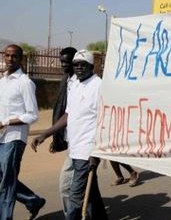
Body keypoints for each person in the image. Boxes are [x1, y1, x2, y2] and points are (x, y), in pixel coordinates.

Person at [31, 49, 108, 220]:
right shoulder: (74, 84)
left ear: (91, 66)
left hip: (86, 151)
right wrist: (45, 134)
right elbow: (68, 115)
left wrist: (97, 152)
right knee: (82, 191)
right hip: (73, 148)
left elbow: (104, 121)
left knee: (74, 199)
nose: (79, 68)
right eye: (76, 65)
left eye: (83, 65)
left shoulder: (98, 86)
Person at [0, 44, 46, 220]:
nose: (10, 59)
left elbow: (32, 115)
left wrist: (6, 122)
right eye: (7, 55)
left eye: (15, 56)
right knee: (4, 180)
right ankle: (33, 201)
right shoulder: (2, 81)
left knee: (7, 183)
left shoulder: (25, 82)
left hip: (14, 137)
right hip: (1, 136)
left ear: (21, 59)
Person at [31, 47, 77, 216]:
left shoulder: (86, 84)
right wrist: (53, 137)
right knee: (81, 189)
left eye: (68, 62)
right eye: (62, 62)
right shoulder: (67, 81)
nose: (64, 65)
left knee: (67, 186)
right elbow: (63, 111)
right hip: (70, 139)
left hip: (82, 144)